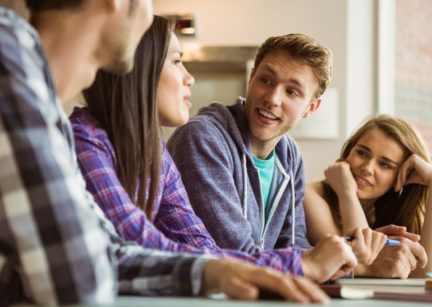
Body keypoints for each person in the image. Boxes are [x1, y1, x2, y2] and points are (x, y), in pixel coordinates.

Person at [0, 1, 328, 305]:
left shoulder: (51, 108)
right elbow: (78, 277)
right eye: (177, 61)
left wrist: (215, 271)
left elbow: (111, 253)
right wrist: (292, 264)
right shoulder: (11, 58)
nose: (190, 78)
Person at [70, 15, 357, 289]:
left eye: (292, 92)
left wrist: (320, 263)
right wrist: (301, 265)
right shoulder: (86, 142)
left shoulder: (153, 152)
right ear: (141, 68)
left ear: (311, 107)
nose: (189, 78)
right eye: (177, 61)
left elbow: (201, 247)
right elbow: (137, 244)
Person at [304, 114, 432, 277]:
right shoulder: (310, 196)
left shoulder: (393, 211)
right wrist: (347, 193)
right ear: (349, 152)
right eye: (362, 153)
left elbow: (427, 275)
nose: (368, 168)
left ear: (403, 176)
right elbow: (359, 263)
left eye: (385, 165)